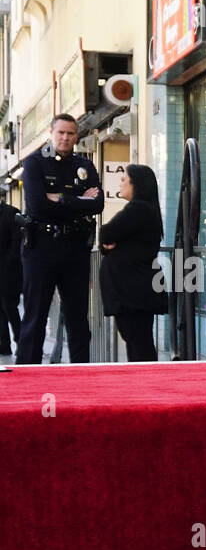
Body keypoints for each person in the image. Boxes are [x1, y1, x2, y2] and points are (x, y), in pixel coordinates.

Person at [15, 114, 103, 364]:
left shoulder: (84, 166)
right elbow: (38, 206)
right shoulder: (34, 163)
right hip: (41, 247)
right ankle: (27, 375)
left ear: (77, 136)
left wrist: (61, 199)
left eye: (70, 133)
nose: (65, 138)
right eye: (60, 133)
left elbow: (97, 204)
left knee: (78, 318)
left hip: (75, 248)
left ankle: (80, 375)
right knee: (35, 316)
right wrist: (78, 201)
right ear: (51, 133)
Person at [98, 164, 166, 361]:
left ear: (135, 184)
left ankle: (146, 384)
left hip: (133, 291)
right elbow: (107, 240)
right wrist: (107, 245)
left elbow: (106, 233)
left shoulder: (138, 209)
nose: (120, 183)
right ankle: (142, 382)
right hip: (134, 290)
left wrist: (109, 242)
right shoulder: (144, 209)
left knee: (138, 343)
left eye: (123, 179)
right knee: (138, 341)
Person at [0, 198, 22, 356]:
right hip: (6, 269)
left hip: (9, 272)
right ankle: (4, 344)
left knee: (10, 307)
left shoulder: (11, 213)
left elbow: (16, 242)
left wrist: (9, 262)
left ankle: (21, 342)